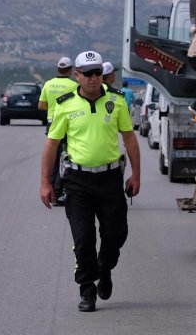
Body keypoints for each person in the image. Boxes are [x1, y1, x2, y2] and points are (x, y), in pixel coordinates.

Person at [40, 50, 141, 313]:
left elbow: (129, 138)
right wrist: (45, 183)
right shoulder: (65, 104)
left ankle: (104, 268)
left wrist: (136, 175)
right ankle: (87, 289)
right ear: (77, 76)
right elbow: (52, 145)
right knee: (83, 238)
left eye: (98, 72)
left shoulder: (117, 101)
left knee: (116, 235)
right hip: (78, 181)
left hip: (110, 179)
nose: (94, 78)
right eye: (88, 73)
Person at [39, 56, 78, 197]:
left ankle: (52, 191)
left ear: (58, 69)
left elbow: (41, 105)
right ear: (70, 70)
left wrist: (53, 109)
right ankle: (59, 189)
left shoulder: (48, 84)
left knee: (54, 157)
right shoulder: (74, 86)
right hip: (67, 124)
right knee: (67, 157)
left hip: (51, 123)